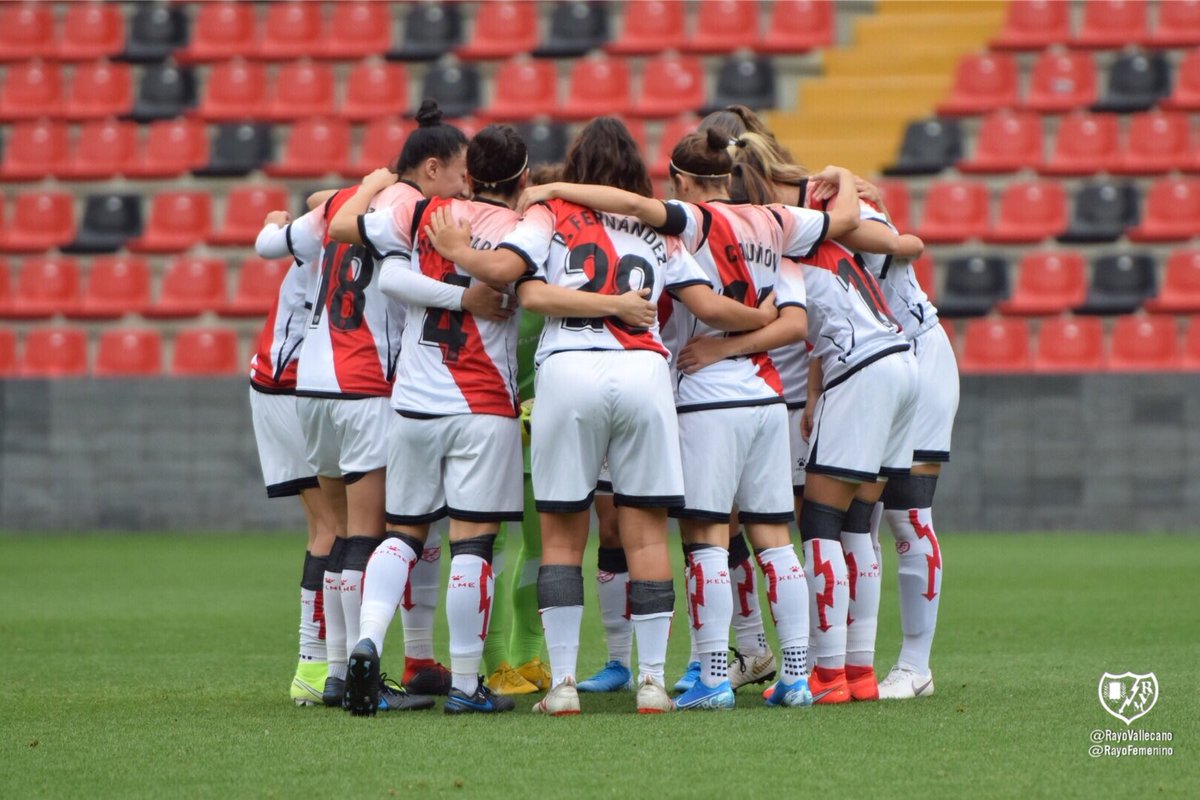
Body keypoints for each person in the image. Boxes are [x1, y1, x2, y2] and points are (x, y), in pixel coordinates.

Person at [425, 117, 779, 715]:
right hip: (643, 373)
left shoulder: (550, 211)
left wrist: (457, 252)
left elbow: (522, 285)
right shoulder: (656, 223)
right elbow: (705, 304)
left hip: (569, 370)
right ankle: (649, 683)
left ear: (578, 165)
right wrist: (763, 320)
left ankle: (562, 684)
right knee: (645, 534)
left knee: (563, 536)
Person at [522, 129, 859, 709]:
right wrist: (847, 177)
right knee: (775, 540)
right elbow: (842, 235)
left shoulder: (684, 221)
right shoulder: (779, 222)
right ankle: (795, 676)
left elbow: (628, 223)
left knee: (700, 541)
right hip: (764, 395)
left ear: (680, 180)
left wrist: (550, 188)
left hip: (696, 395)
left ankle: (706, 675)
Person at [255, 100, 469, 710]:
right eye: (459, 174)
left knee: (341, 531)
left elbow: (315, 214)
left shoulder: (349, 199)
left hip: (313, 386)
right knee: (366, 537)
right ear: (430, 169)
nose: (464, 187)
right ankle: (354, 678)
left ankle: (331, 672)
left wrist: (370, 181)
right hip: (365, 386)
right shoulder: (408, 209)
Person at [326, 125, 538, 715]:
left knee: (403, 536)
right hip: (481, 406)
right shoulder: (523, 230)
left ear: (469, 173)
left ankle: (368, 641)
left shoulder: (422, 213)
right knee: (473, 543)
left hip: (414, 404)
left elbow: (381, 268)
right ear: (522, 178)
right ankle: (468, 685)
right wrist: (469, 297)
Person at [726, 135, 920, 705]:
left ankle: (827, 674)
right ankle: (859, 672)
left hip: (861, 369)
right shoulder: (823, 226)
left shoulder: (779, 233)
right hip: (901, 361)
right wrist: (839, 170)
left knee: (820, 524)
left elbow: (777, 320)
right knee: (859, 524)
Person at [840, 179, 957, 700]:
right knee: (858, 516)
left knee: (907, 515)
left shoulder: (849, 213)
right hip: (870, 369)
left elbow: (903, 247)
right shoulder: (789, 220)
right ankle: (850, 661)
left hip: (918, 359)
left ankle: (916, 665)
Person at [248, 208, 339, 706]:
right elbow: (270, 240)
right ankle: (315, 665)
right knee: (333, 527)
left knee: (334, 526)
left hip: (299, 385)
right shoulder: (331, 234)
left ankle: (324, 663)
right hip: (292, 387)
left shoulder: (342, 231)